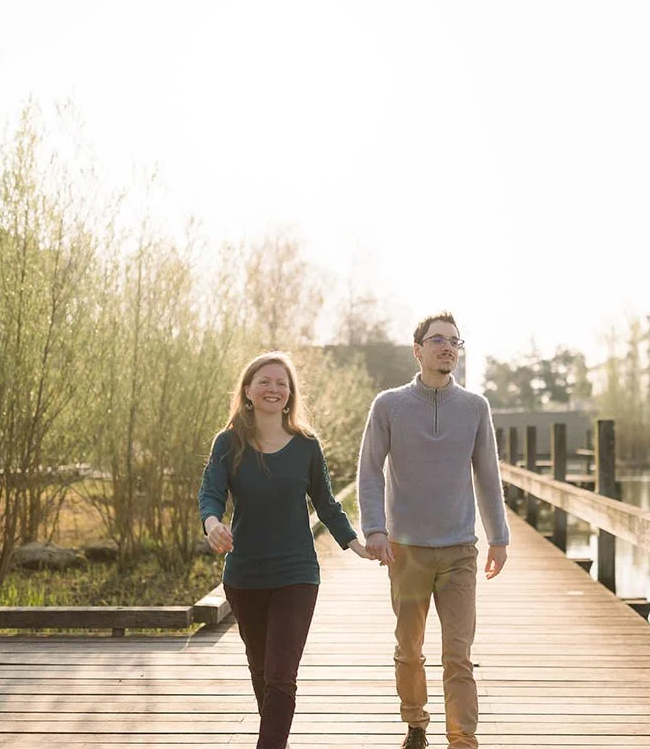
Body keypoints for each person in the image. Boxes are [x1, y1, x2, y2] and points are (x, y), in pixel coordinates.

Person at [199, 350, 372, 749]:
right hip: (244, 574)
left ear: (291, 393)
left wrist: (354, 542)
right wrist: (212, 524)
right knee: (261, 668)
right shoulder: (228, 442)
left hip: (296, 572)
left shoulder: (306, 445)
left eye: (282, 382)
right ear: (247, 391)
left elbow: (326, 503)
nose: (273, 388)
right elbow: (211, 493)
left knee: (280, 674)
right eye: (265, 381)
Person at [357, 311, 510, 749]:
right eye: (438, 339)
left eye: (455, 341)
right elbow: (369, 470)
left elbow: (487, 476)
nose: (448, 347)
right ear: (418, 350)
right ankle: (416, 721)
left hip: (461, 549)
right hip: (406, 552)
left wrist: (498, 536)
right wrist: (374, 529)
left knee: (458, 655)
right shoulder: (389, 405)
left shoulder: (475, 407)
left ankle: (463, 739)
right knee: (409, 648)